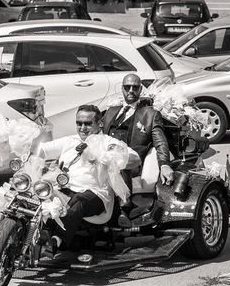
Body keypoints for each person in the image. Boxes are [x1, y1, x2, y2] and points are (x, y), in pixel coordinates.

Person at [39, 104, 140, 256]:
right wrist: (30, 157)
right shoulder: (70, 140)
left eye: (87, 123)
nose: (82, 128)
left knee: (78, 202)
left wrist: (108, 156)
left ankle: (56, 240)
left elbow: (135, 159)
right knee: (34, 193)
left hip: (95, 195)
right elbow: (42, 150)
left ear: (99, 124)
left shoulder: (108, 142)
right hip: (64, 189)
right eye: (79, 123)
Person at [101, 73, 175, 227]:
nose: (130, 91)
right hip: (105, 157)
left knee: (119, 162)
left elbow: (160, 142)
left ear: (140, 89)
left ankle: (124, 209)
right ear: (122, 89)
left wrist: (164, 164)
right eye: (127, 87)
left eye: (135, 87)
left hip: (131, 162)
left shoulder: (150, 114)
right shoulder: (111, 112)